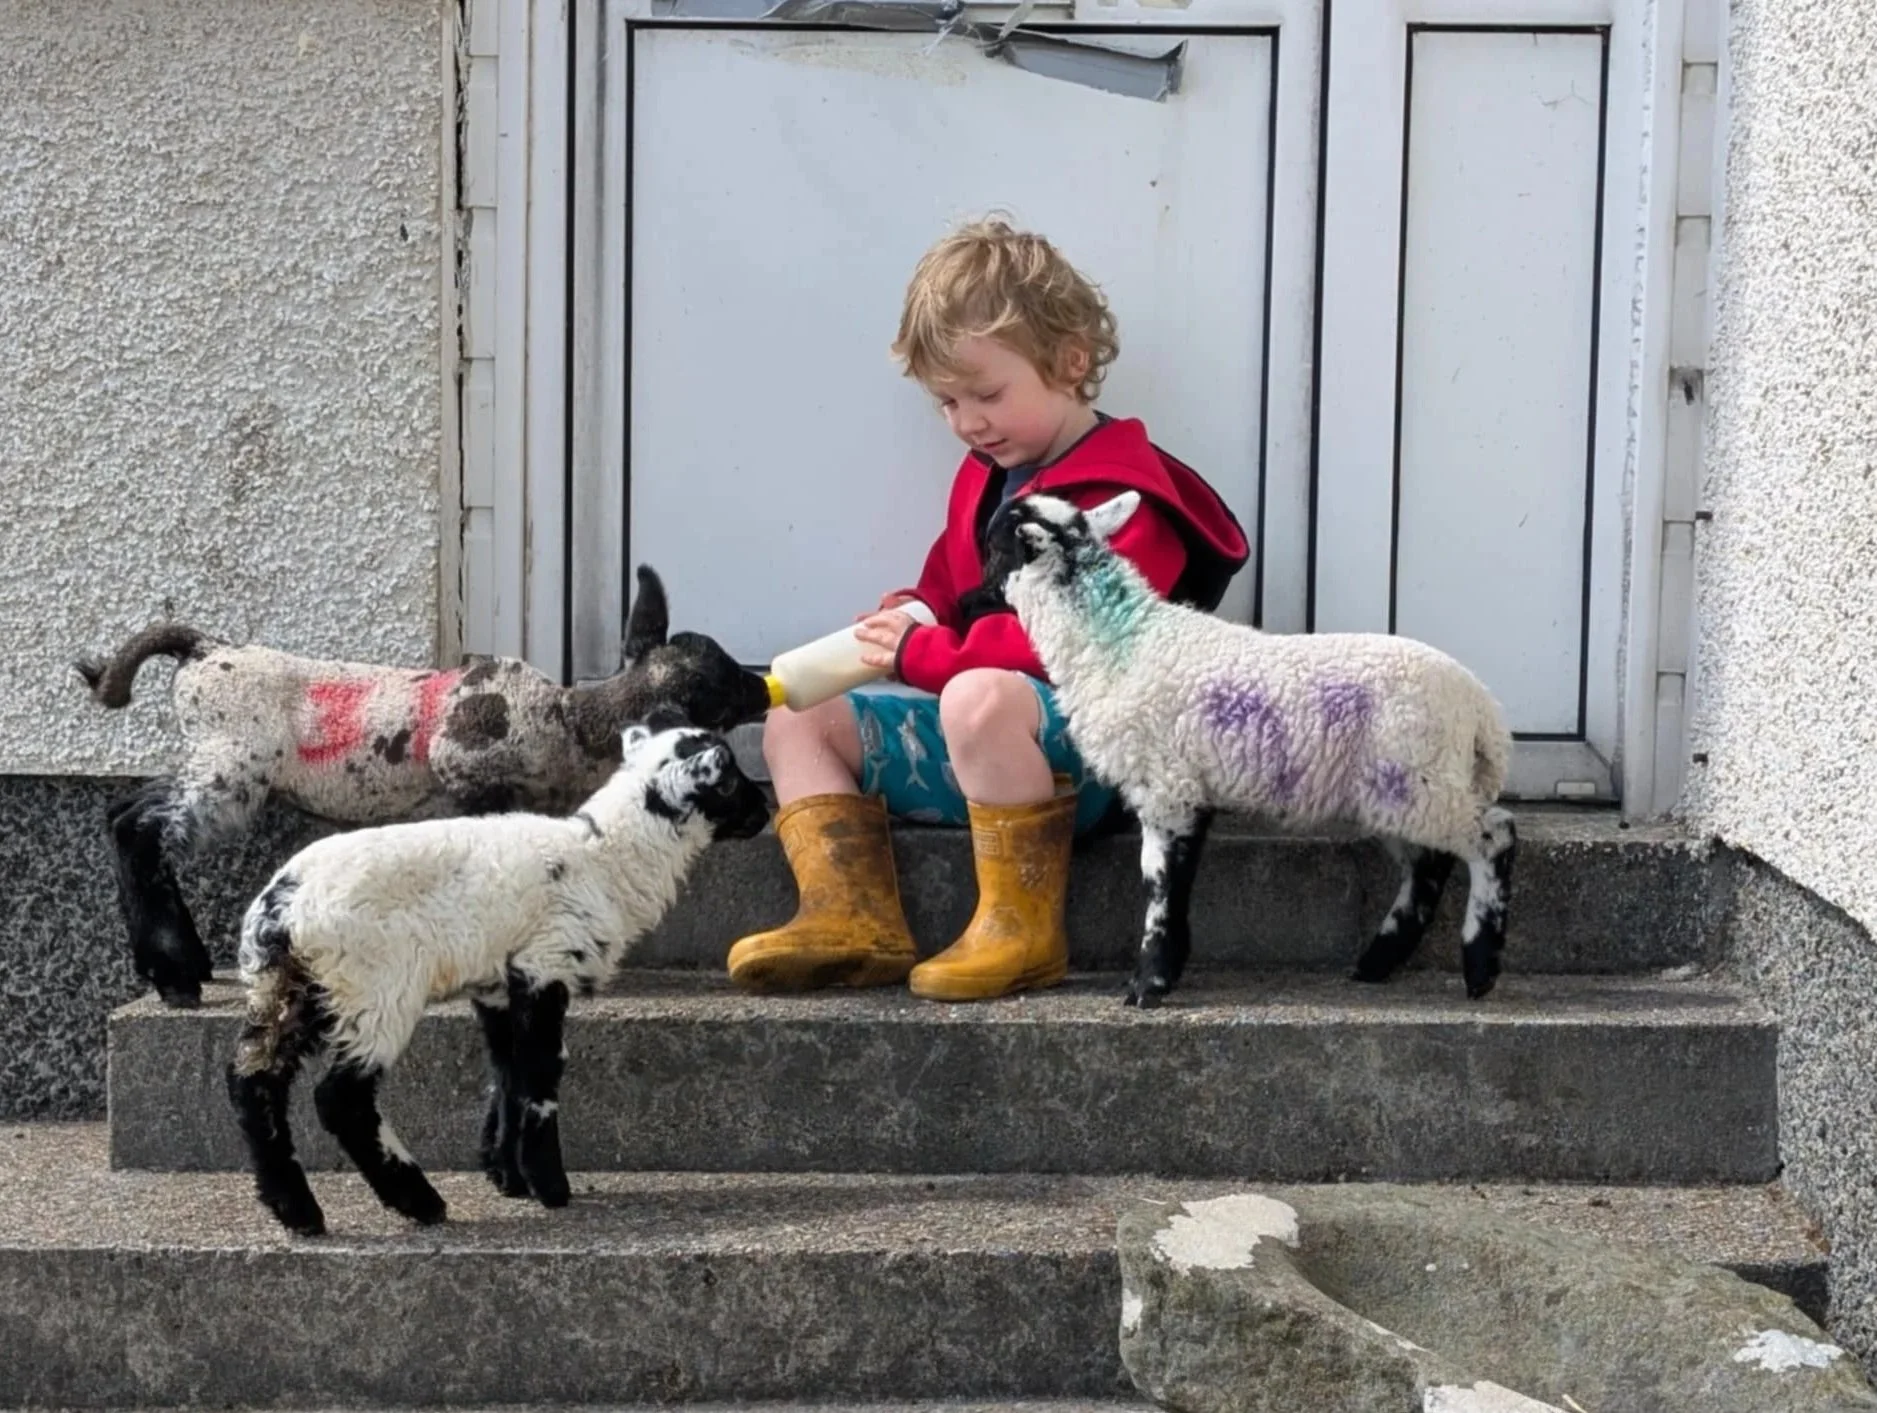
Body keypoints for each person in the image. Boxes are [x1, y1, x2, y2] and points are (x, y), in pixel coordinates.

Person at [725, 217, 1250, 1003]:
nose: (966, 421)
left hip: (1088, 762)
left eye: (987, 394)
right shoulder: (986, 475)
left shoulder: (1125, 498)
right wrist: (913, 611)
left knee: (976, 695)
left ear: (1070, 363)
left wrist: (924, 657)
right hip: (985, 736)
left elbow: (1061, 647)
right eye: (946, 402)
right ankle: (847, 913)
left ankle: (1021, 930)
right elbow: (952, 581)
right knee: (797, 717)